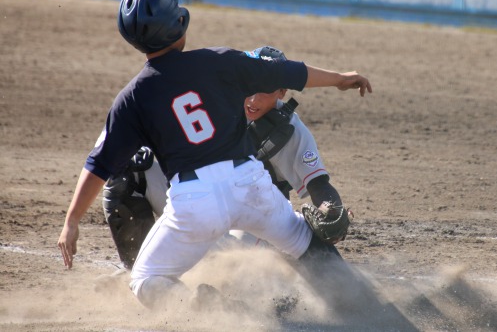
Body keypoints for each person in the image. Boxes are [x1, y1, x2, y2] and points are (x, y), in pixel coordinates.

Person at [57, 0, 372, 309]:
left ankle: (205, 312)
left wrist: (71, 221)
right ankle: (360, 305)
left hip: (193, 202)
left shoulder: (132, 98)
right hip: (249, 184)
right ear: (180, 21)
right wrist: (339, 79)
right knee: (303, 241)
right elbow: (287, 72)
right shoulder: (218, 60)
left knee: (145, 279)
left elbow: (99, 164)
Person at [102, 46, 347, 270]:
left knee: (235, 265)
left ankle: (259, 292)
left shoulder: (290, 131)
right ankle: (138, 273)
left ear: (283, 90)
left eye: (265, 90)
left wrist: (331, 208)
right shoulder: (217, 101)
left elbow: (318, 185)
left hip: (252, 225)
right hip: (201, 204)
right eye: (251, 87)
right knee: (131, 170)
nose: (253, 98)